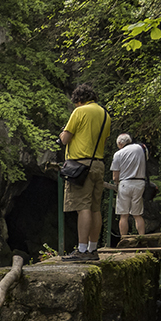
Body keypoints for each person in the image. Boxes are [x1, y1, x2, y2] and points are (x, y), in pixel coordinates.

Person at [59, 84, 110, 261]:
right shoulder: (105, 114)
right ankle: (93, 249)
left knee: (83, 207)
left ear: (79, 100)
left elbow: (65, 139)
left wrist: (61, 134)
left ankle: (81, 250)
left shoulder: (80, 112)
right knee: (95, 208)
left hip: (80, 165)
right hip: (98, 164)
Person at [111, 133, 147, 240]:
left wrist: (116, 183)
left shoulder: (118, 154)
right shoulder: (140, 148)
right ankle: (142, 239)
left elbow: (115, 177)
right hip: (139, 183)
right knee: (137, 215)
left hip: (125, 184)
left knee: (124, 215)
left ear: (120, 143)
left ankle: (124, 240)